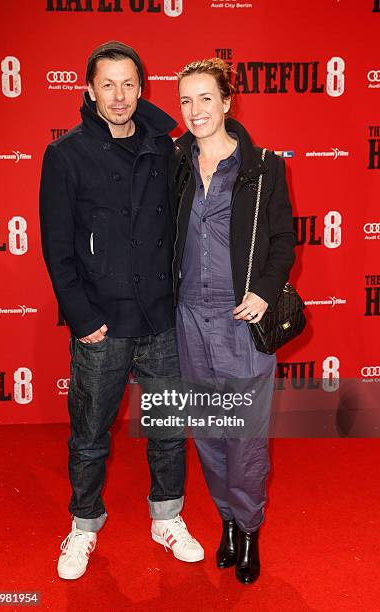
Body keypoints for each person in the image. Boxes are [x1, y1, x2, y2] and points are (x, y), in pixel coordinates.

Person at [39, 41, 204, 581]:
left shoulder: (164, 146)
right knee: (89, 434)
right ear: (88, 90)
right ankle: (84, 525)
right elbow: (57, 248)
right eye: (107, 84)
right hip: (102, 324)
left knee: (168, 429)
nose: (119, 95)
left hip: (160, 318)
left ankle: (167, 517)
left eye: (129, 84)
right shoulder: (65, 155)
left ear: (142, 88)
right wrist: (83, 319)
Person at [170, 58, 296, 584]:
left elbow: (284, 240)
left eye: (205, 98)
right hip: (189, 319)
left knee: (244, 434)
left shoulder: (262, 166)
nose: (195, 111)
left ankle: (248, 528)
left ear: (227, 102)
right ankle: (224, 518)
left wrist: (265, 293)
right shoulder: (174, 163)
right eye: (185, 101)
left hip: (240, 319)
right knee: (208, 430)